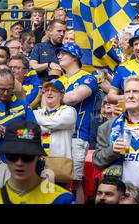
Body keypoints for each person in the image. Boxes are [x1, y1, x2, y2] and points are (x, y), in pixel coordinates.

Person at [0, 120, 75, 204]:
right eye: (13, 156)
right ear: (5, 155)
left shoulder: (61, 200)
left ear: (38, 157)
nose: (19, 162)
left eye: (27, 156)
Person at [55, 42, 98, 204]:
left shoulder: (87, 78)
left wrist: (55, 99)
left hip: (77, 136)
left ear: (74, 56)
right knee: (55, 180)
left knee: (75, 182)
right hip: (55, 135)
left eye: (63, 53)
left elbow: (74, 98)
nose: (59, 56)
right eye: (58, 54)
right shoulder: (58, 80)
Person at [34, 79, 76, 162]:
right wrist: (53, 127)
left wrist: (37, 125)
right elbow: (27, 131)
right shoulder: (36, 113)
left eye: (53, 90)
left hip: (59, 162)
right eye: (46, 90)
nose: (49, 93)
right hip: (36, 160)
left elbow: (60, 122)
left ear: (61, 95)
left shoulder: (69, 111)